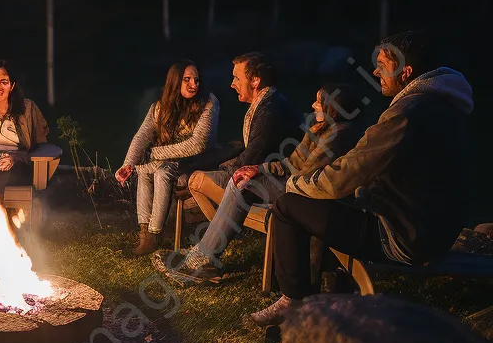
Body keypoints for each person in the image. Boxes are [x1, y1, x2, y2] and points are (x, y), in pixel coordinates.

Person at [249, 31, 474, 326]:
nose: (376, 71)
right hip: (434, 233)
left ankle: (295, 301)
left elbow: (345, 175)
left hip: (402, 237)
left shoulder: (405, 116)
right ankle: (332, 284)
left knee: (288, 206)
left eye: (382, 65)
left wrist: (293, 185)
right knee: (331, 203)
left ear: (405, 72)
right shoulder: (445, 106)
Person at [164, 81, 366, 283]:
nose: (313, 105)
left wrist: (265, 178)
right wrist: (260, 169)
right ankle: (206, 252)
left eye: (319, 102)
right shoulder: (321, 129)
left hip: (305, 194)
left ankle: (206, 257)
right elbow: (293, 162)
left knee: (241, 185)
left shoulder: (338, 136)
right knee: (242, 179)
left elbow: (307, 176)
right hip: (295, 185)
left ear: (333, 106)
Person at [115, 61, 219, 255]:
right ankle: (144, 234)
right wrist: (128, 164)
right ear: (174, 82)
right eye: (187, 79)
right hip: (171, 159)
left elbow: (198, 144)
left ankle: (155, 234)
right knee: (143, 168)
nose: (193, 84)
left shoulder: (208, 102)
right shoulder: (161, 106)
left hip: (198, 160)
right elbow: (142, 136)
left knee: (162, 171)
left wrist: (153, 154)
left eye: (196, 80)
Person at [187, 51, 301, 222]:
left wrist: (221, 169)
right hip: (265, 175)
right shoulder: (266, 102)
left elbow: (251, 157)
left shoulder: (270, 110)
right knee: (194, 182)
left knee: (196, 181)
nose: (232, 84)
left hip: (277, 182)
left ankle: (223, 232)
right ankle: (216, 227)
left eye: (237, 78)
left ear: (255, 80)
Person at [0, 59, 60, 198]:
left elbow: (40, 144)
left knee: (8, 175)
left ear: (12, 85)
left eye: (4, 82)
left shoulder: (27, 109)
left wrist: (14, 158)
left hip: (17, 163)